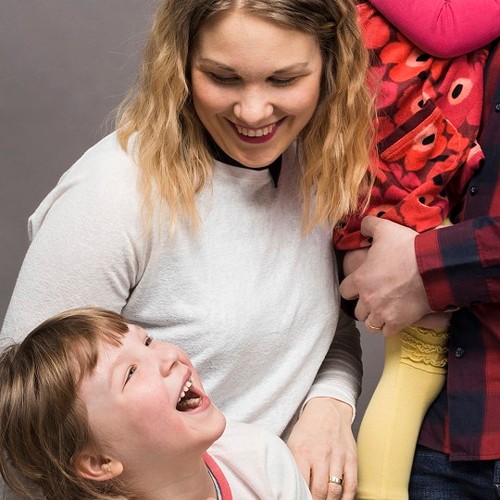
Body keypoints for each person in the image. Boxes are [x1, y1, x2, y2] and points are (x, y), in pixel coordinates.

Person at [0, 1, 375, 499]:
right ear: (180, 63)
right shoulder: (114, 192)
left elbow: (325, 328)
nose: (253, 112)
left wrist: (329, 406)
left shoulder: (320, 166)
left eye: (284, 80)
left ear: (331, 65)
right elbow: (30, 431)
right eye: (222, 77)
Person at [333, 1, 500, 498]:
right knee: (413, 371)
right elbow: (446, 31)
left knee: (411, 373)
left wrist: (428, 265)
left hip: (402, 205)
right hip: (399, 200)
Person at [0, 307, 313, 500]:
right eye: (130, 373)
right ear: (99, 462)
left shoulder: (260, 458)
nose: (168, 356)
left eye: (147, 341)